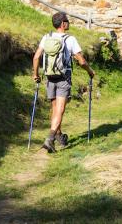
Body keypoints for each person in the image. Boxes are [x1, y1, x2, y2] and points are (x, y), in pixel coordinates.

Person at [32, 11, 95, 153]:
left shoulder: (46, 37)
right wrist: (90, 72)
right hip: (63, 77)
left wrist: (35, 75)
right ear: (63, 24)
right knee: (60, 110)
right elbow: (82, 61)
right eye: (67, 20)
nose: (69, 23)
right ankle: (49, 139)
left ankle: (59, 136)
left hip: (49, 76)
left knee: (55, 109)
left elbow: (36, 57)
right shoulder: (70, 39)